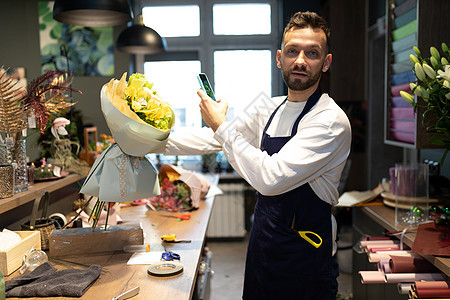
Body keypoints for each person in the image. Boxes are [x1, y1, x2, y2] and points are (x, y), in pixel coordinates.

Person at [162, 11, 351, 300]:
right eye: (292, 51)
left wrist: (220, 125)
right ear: (279, 58)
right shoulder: (269, 107)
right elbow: (213, 139)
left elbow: (270, 178)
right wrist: (151, 142)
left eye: (312, 53)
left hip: (305, 258)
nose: (300, 60)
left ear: (326, 63)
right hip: (264, 248)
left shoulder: (329, 121)